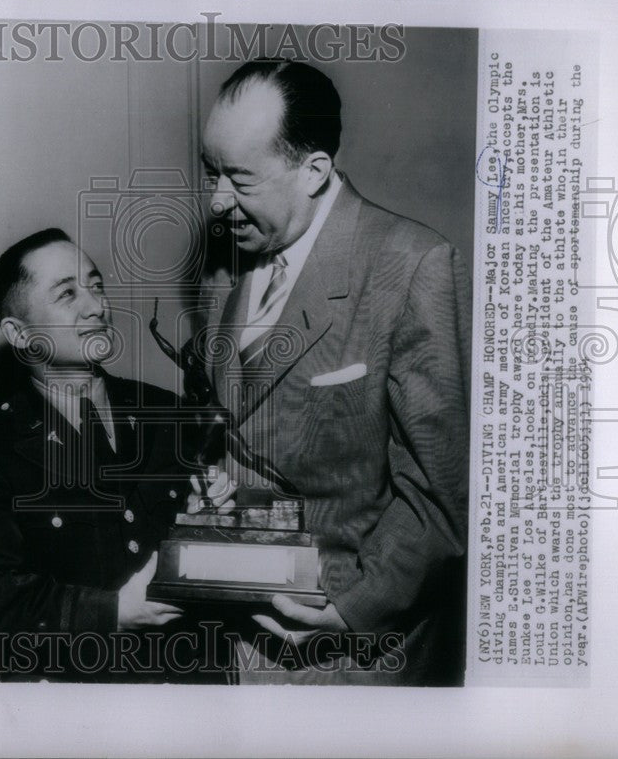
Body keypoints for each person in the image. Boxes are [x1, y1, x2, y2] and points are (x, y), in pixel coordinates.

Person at [198, 60, 471, 685]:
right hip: (244, 643)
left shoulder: (414, 265)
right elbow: (241, 424)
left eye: (239, 178)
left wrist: (352, 612)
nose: (216, 201)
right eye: (210, 172)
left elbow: (440, 490)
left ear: (314, 170)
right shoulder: (229, 261)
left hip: (357, 656)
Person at [0, 229, 232, 682]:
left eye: (96, 286)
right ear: (19, 333)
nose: (96, 306)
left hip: (193, 687)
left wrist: (215, 519)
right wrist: (113, 612)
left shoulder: (171, 415)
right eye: (67, 294)